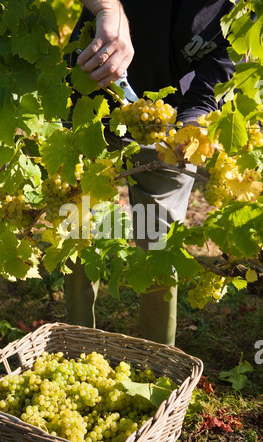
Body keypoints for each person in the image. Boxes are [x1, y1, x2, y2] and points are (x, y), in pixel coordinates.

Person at [63, 0, 235, 345]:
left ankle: (157, 362)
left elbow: (216, 76)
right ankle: (78, 346)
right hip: (88, 94)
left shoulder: (239, 10)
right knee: (78, 223)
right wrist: (108, 9)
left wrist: (190, 130)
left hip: (167, 125)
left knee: (158, 239)